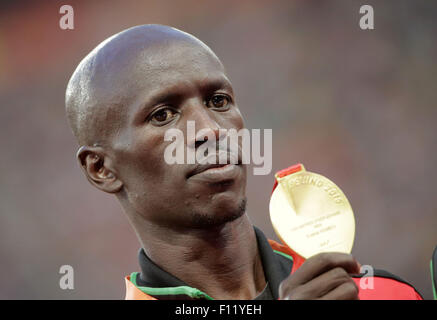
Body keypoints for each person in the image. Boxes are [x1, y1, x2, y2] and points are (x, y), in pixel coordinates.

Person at [65, 24, 422, 300]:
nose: (209, 130)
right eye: (162, 115)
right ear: (101, 168)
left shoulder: (379, 292)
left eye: (218, 101)